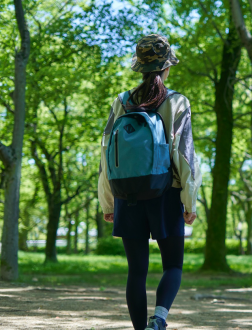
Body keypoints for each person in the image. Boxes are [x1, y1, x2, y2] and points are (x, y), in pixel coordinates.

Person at [98, 34, 202, 330]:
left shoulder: (121, 101)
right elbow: (185, 155)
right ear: (166, 68)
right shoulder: (177, 101)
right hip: (166, 194)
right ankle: (158, 319)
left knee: (136, 272)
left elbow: (106, 154)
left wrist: (108, 202)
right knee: (173, 265)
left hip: (127, 195)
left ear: (140, 68)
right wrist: (189, 202)